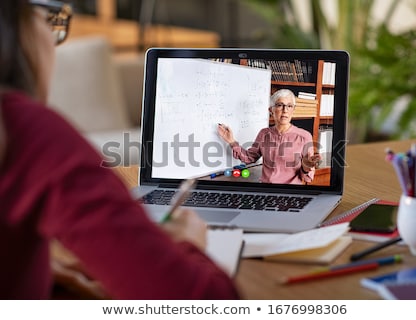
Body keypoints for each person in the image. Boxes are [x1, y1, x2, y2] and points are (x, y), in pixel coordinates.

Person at [0, 0, 239, 299]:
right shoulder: (27, 134)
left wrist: (37, 275)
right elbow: (210, 303)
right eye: (50, 20)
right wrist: (186, 245)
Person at [218, 89, 321, 184]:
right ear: (271, 110)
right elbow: (249, 157)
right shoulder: (264, 134)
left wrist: (306, 167)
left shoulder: (304, 136)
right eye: (280, 105)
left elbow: (307, 178)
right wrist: (231, 141)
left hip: (291, 192)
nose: (285, 110)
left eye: (289, 106)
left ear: (293, 110)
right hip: (266, 189)